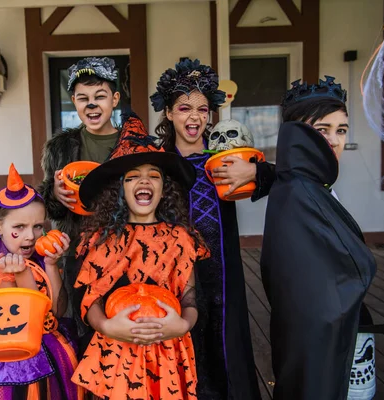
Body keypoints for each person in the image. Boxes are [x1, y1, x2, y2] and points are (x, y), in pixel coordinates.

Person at [70, 113, 209, 399]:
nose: (143, 182)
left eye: (153, 176)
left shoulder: (181, 239)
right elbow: (90, 299)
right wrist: (106, 325)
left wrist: (182, 324)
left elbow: (190, 299)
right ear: (120, 189)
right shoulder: (103, 239)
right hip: (116, 349)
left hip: (167, 350)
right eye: (133, 177)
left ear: (163, 189)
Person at [151, 58, 263, 400]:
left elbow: (271, 176)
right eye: (184, 108)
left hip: (222, 270)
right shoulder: (157, 162)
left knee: (222, 343)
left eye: (203, 109)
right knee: (183, 346)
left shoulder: (226, 156)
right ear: (169, 113)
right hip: (173, 273)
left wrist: (256, 173)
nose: (195, 117)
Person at [260, 76, 377, 400]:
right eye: (322, 130)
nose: (335, 140)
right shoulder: (300, 194)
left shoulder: (312, 187)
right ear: (298, 133)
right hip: (317, 349)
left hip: (334, 338)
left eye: (341, 130)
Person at [0, 164, 83, 400]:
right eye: (19, 227)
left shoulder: (39, 259)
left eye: (37, 226)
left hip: (52, 356)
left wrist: (50, 265)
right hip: (10, 366)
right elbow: (28, 319)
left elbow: (57, 311)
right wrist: (22, 275)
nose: (31, 236)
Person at [39, 56, 121, 245]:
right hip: (76, 246)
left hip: (123, 245)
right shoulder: (59, 148)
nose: (91, 105)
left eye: (100, 96)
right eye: (83, 98)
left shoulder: (134, 144)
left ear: (114, 99)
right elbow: (52, 207)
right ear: (75, 101)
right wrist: (54, 193)